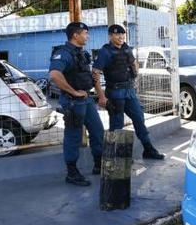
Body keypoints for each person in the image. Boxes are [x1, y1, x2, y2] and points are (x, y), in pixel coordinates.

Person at [92, 24, 165, 160]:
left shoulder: (126, 48)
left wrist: (135, 76)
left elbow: (133, 63)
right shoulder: (105, 51)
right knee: (116, 125)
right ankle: (116, 157)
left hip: (129, 91)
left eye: (123, 34)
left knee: (139, 119)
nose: (121, 37)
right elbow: (95, 73)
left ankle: (148, 149)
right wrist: (101, 97)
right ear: (110, 36)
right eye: (117, 34)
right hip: (115, 92)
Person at [49, 22, 104, 186]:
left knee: (97, 131)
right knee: (73, 136)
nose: (87, 36)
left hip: (86, 99)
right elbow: (54, 75)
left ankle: (99, 165)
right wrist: (73, 92)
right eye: (85, 33)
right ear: (75, 35)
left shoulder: (82, 53)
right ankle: (72, 173)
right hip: (73, 102)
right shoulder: (63, 53)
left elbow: (84, 74)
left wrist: (94, 81)